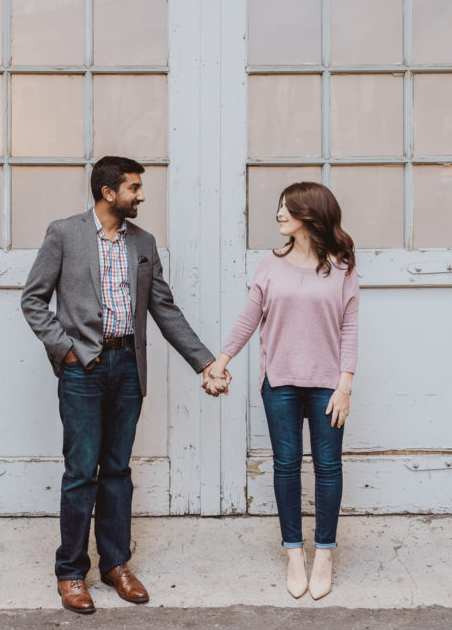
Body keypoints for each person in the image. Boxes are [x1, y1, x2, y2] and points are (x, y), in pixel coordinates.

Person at [21, 155, 229, 614]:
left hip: (128, 367)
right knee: (80, 473)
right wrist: (67, 349)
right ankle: (71, 572)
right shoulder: (64, 234)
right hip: (83, 370)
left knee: (117, 470)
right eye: (134, 187)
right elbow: (33, 300)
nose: (142, 195)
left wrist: (206, 363)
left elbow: (164, 309)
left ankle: (116, 565)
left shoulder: (144, 243)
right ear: (108, 193)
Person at [204, 181, 358, 601]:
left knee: (328, 468)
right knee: (286, 467)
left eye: (287, 208)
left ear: (311, 215)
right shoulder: (269, 265)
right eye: (279, 207)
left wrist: (345, 385)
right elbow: (248, 318)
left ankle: (324, 552)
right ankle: (294, 553)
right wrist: (221, 360)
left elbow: (350, 329)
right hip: (281, 384)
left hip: (328, 385)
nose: (278, 214)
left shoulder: (342, 267)